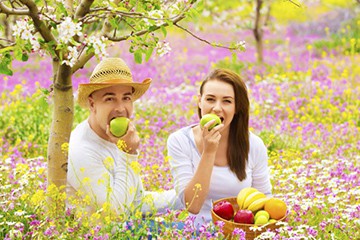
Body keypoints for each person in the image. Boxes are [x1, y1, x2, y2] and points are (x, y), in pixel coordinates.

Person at [66, 57, 179, 216]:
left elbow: (136, 201)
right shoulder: (81, 150)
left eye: (126, 98)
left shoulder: (115, 136)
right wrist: (128, 154)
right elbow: (116, 212)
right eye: (110, 99)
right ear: (92, 104)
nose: (120, 108)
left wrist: (184, 196)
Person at [167, 68, 272, 227]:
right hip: (196, 232)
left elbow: (264, 198)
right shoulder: (180, 141)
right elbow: (192, 206)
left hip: (238, 232)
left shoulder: (254, 145)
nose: (217, 108)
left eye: (227, 101)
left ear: (237, 108)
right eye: (210, 99)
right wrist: (209, 151)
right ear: (199, 101)